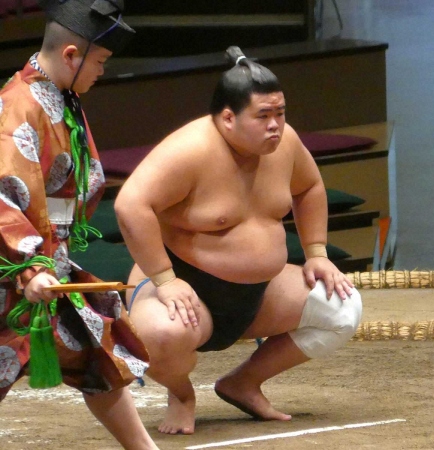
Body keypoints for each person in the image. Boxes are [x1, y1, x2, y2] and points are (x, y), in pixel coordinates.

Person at [115, 45, 363, 436]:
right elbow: (131, 204)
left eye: (280, 113)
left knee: (341, 308)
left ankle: (242, 383)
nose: (275, 126)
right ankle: (181, 395)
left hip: (260, 293)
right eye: (263, 116)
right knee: (160, 336)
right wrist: (165, 278)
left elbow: (310, 187)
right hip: (187, 286)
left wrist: (316, 252)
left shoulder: (285, 145)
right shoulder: (190, 150)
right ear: (228, 118)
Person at [0, 1, 159, 449]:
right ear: (71, 55)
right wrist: (29, 265)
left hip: (50, 257)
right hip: (13, 263)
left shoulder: (61, 97)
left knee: (96, 352)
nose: (102, 72)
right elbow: (2, 196)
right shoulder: (17, 106)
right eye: (100, 62)